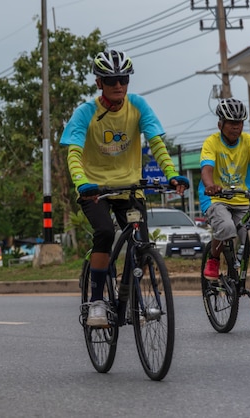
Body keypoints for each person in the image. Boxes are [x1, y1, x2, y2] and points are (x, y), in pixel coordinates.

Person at [60, 49, 189, 327]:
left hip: (130, 189)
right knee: (105, 233)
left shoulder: (138, 106)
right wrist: (82, 183)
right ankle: (96, 301)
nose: (118, 85)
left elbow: (156, 143)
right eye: (111, 80)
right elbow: (73, 153)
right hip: (96, 191)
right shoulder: (85, 113)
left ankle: (131, 296)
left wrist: (172, 174)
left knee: (141, 245)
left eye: (123, 79)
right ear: (99, 83)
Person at [200, 98, 250, 296]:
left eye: (239, 123)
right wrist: (210, 186)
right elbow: (207, 168)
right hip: (216, 198)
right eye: (231, 123)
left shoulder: (248, 141)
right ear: (221, 124)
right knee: (226, 227)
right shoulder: (212, 143)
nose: (236, 128)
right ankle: (213, 258)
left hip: (243, 199)